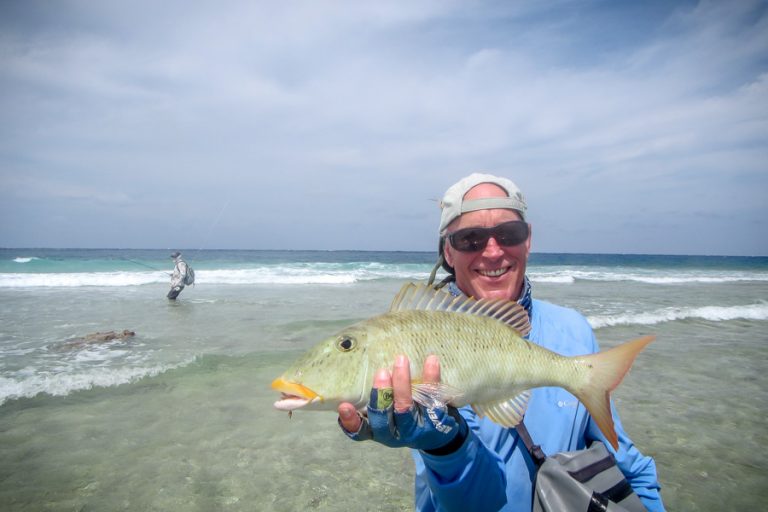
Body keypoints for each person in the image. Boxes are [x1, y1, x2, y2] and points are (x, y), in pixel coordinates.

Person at [337, 173, 664, 511]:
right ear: (448, 251)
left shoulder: (574, 331)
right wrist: (444, 446)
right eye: (471, 239)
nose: (492, 252)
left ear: (528, 241)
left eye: (509, 234)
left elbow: (629, 466)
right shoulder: (420, 339)